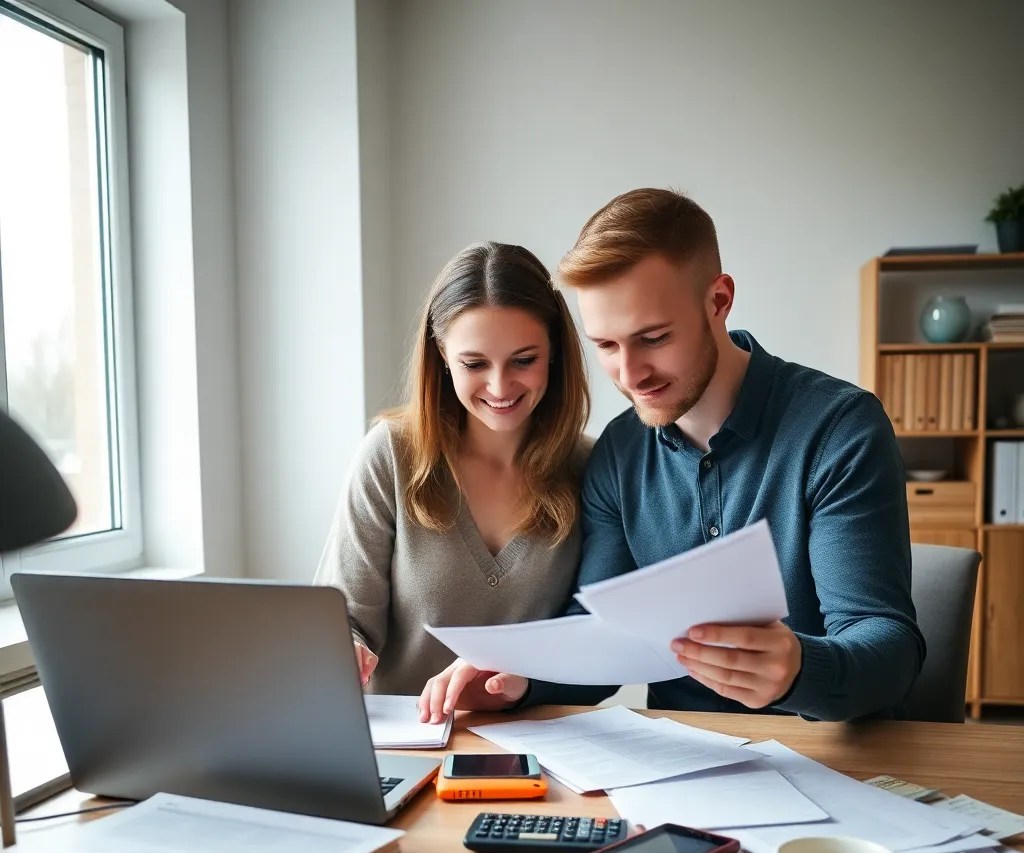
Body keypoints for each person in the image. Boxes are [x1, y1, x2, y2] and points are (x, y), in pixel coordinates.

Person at [419, 188, 924, 723]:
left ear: (719, 301)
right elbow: (603, 641)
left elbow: (889, 645)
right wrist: (515, 676)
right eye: (607, 347)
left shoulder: (839, 429)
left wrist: (801, 670)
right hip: (681, 768)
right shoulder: (619, 452)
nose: (631, 376)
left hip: (833, 759)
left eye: (653, 338)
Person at [315, 242, 591, 695]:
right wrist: (341, 647)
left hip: (538, 745)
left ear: (555, 352)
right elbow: (344, 618)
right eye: (474, 363)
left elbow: (592, 645)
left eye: (524, 360)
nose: (500, 386)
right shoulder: (391, 456)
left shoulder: (590, 468)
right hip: (409, 745)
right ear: (442, 354)